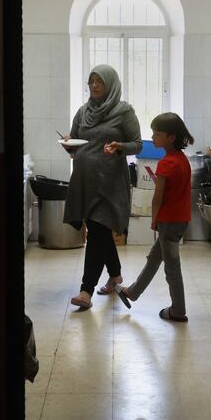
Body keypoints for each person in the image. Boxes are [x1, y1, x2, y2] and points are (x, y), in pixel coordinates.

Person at [62, 64, 142, 309]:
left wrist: (119, 146)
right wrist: (69, 144)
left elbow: (137, 144)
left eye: (99, 81)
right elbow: (74, 138)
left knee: (96, 232)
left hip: (110, 184)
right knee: (101, 232)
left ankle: (86, 291)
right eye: (91, 81)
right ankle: (116, 275)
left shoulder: (123, 111)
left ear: (111, 83)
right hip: (85, 181)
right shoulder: (83, 111)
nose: (94, 85)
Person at [121, 112, 194, 322]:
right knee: (155, 258)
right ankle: (132, 292)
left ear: (171, 137)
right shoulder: (182, 160)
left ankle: (178, 311)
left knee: (172, 267)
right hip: (181, 219)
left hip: (168, 221)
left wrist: (154, 219)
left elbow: (157, 198)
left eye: (157, 134)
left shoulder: (166, 164)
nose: (153, 138)